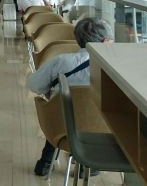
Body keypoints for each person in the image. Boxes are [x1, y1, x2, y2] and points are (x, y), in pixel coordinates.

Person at [28, 18, 113, 176]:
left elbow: (34, 85)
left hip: (60, 128)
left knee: (62, 110)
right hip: (101, 132)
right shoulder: (114, 68)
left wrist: (51, 92)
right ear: (106, 41)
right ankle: (88, 165)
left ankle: (45, 162)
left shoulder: (61, 61)